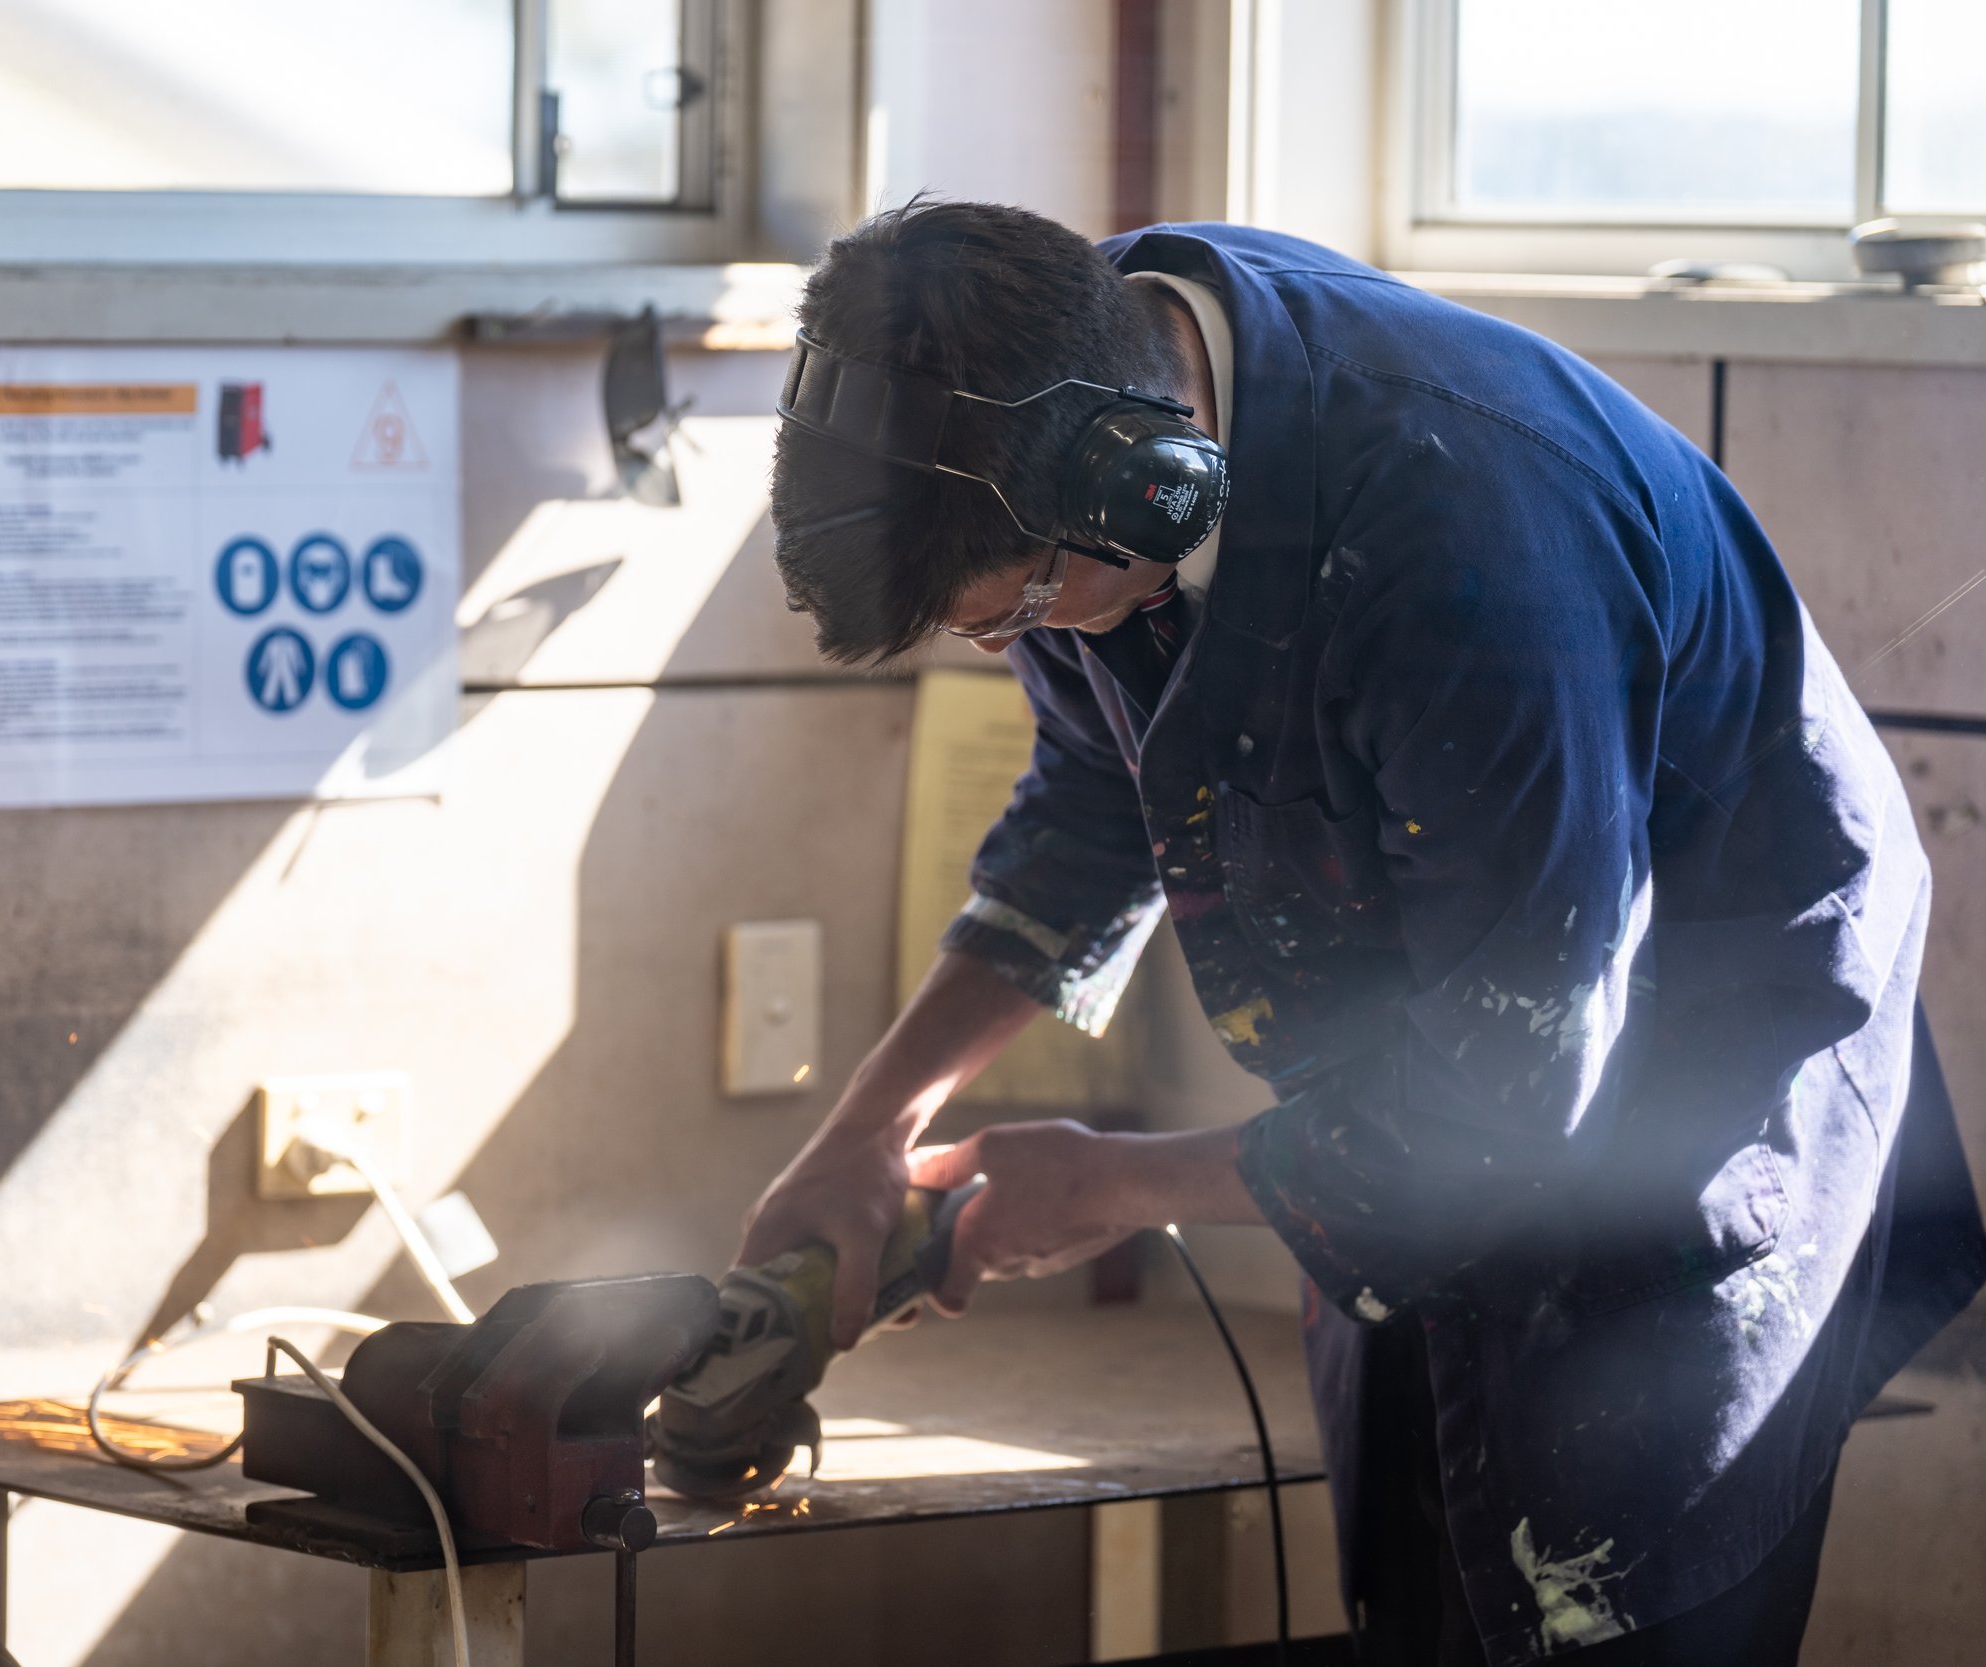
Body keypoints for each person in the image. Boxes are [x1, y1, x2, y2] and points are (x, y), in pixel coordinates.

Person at [739, 199, 1986, 1666]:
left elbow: (1517, 1085)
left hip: (1693, 1097)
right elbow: (1096, 800)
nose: (1018, 642)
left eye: (1017, 604)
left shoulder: (1469, 542)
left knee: (1601, 1585)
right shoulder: (1100, 387)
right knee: (1426, 1558)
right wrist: (868, 1130)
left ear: (1151, 486)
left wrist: (1118, 1186)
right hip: (1427, 1087)